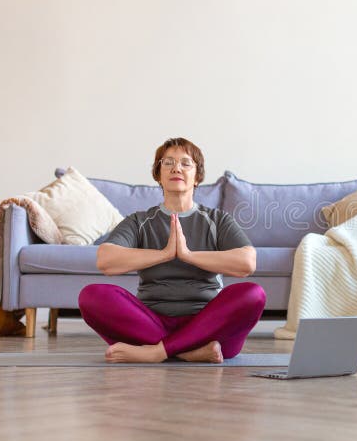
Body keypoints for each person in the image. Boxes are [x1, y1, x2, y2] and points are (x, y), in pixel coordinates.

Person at [78, 137, 265, 363]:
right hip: (150, 322)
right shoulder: (140, 221)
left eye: (186, 163)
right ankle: (190, 352)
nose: (176, 168)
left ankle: (157, 352)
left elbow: (247, 263)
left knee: (253, 294)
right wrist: (164, 254)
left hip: (208, 324)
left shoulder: (217, 220)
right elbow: (105, 260)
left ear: (197, 177)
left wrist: (188, 255)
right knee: (91, 296)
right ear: (158, 175)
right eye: (168, 163)